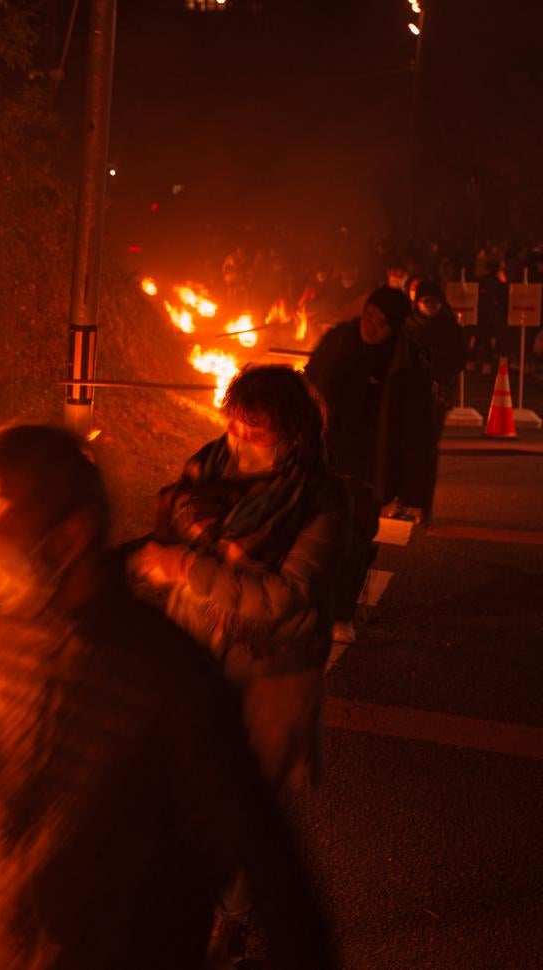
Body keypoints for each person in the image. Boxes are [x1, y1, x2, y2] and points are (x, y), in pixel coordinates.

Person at [0, 425, 333, 969]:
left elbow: (266, 855)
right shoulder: (20, 637)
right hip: (23, 949)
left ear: (70, 536)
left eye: (1, 527)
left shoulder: (170, 677)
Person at [130, 365, 350, 961]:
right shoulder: (205, 471)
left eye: (257, 432)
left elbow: (281, 597)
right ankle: (179, 910)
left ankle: (235, 918)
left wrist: (187, 570)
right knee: (177, 788)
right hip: (196, 656)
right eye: (234, 425)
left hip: (273, 672)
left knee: (243, 805)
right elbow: (175, 534)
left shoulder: (319, 501)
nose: (239, 441)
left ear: (293, 435)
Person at [305, 287, 437, 638]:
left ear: (395, 326)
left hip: (371, 468)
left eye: (382, 322)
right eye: (368, 316)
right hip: (325, 459)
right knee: (318, 536)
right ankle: (312, 605)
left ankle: (342, 614)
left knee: (355, 540)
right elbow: (308, 386)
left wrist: (417, 493)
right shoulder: (339, 341)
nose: (372, 327)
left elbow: (418, 433)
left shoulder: (405, 363)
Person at [406, 283, 467, 524]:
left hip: (438, 394)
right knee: (405, 447)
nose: (430, 306)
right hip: (410, 395)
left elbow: (459, 358)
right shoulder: (407, 326)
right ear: (417, 303)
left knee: (428, 449)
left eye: (434, 302)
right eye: (425, 302)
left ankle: (424, 505)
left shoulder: (450, 327)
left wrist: (439, 376)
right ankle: (402, 500)